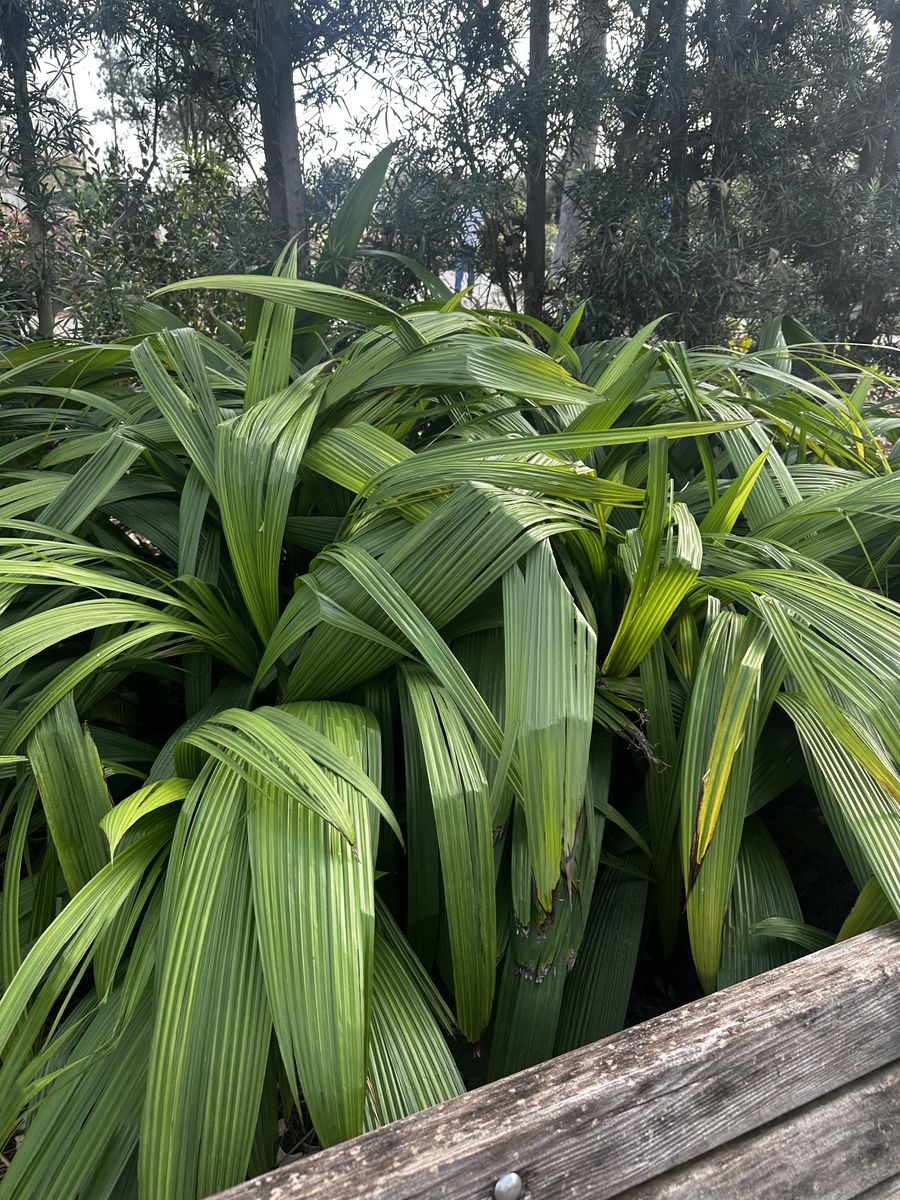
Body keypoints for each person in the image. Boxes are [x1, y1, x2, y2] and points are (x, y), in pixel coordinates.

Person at [455, 205, 484, 291]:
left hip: (473, 244)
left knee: (469, 268)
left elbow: (481, 226)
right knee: (461, 267)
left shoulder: (476, 210)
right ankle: (458, 288)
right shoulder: (459, 209)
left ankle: (469, 288)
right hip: (464, 243)